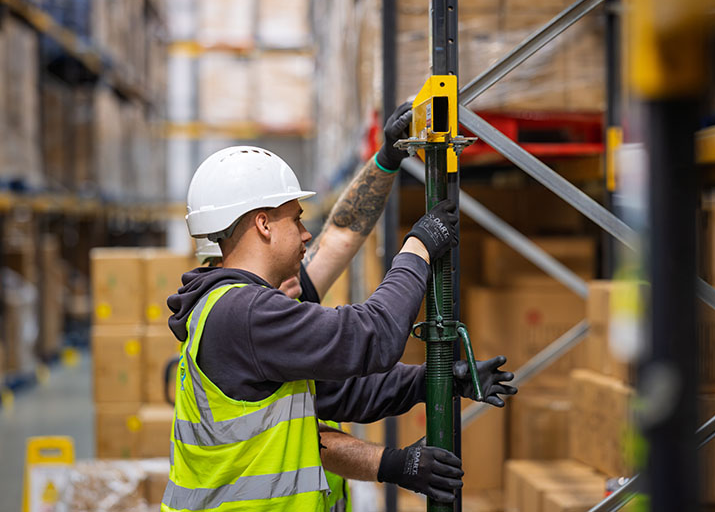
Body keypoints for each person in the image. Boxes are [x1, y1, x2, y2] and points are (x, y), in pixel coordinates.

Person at [163, 104, 516, 512]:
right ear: (262, 225)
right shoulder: (245, 315)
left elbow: (339, 392)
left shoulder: (242, 310)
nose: (306, 233)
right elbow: (373, 336)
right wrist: (418, 249)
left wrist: (436, 380)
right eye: (295, 220)